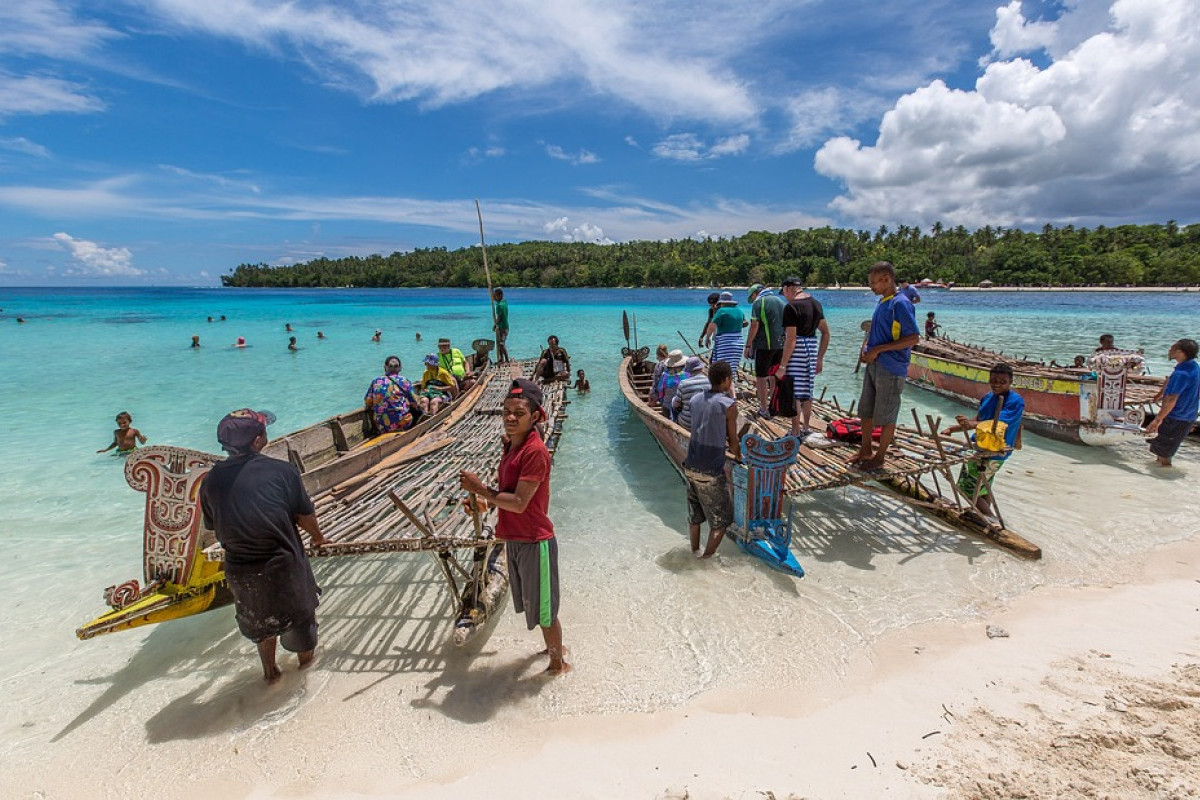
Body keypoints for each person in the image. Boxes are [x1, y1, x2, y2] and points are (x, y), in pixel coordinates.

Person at [199, 409, 329, 684]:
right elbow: (304, 516)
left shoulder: (210, 481)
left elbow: (212, 525)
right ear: (258, 441)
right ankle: (305, 678)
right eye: (263, 431)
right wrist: (318, 538)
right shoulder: (282, 471)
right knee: (301, 627)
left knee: (262, 626)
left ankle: (270, 675)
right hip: (282, 565)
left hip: (241, 571)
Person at [459, 379, 570, 676]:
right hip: (515, 538)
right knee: (536, 605)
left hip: (535, 540)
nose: (509, 417)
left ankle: (558, 667)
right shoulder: (511, 446)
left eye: (518, 413)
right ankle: (552, 650)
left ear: (535, 417)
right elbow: (508, 492)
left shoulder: (534, 452)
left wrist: (482, 490)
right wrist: (486, 504)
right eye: (506, 411)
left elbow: (520, 503)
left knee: (546, 612)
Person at [851, 261, 920, 471]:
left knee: (887, 414)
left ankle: (879, 456)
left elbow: (913, 338)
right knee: (866, 410)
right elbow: (875, 331)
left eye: (874, 282)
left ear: (887, 279)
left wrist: (878, 350)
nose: (871, 286)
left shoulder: (900, 303)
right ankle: (865, 449)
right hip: (874, 364)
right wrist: (866, 348)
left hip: (891, 367)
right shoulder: (882, 302)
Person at [940, 364, 1025, 518]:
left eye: (1002, 381)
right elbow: (979, 419)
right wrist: (953, 429)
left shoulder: (1015, 401)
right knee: (983, 486)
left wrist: (971, 425)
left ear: (1011, 381)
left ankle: (989, 519)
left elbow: (998, 424)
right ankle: (984, 516)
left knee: (966, 488)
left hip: (994, 450)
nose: (997, 384)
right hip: (980, 446)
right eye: (993, 380)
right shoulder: (987, 397)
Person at [682, 360, 739, 558]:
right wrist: (739, 456)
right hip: (711, 471)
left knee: (695, 517)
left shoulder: (696, 399)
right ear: (726, 380)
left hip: (690, 465)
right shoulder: (729, 405)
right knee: (722, 521)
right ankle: (705, 561)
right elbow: (733, 441)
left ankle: (694, 552)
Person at [777, 277, 830, 437]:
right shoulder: (815, 303)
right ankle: (806, 427)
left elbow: (791, 339)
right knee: (807, 391)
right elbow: (826, 333)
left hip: (797, 351)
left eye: (784, 292)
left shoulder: (791, 307)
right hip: (812, 349)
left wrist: (783, 365)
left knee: (795, 393)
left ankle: (795, 430)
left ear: (787, 288)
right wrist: (820, 358)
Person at [1145, 338, 1199, 467]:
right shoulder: (1193, 366)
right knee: (1161, 448)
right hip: (1187, 415)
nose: (1169, 351)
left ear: (1180, 352)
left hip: (1176, 417)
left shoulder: (1182, 373)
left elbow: (1171, 400)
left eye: (1172, 348)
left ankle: (1164, 477)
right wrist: (1161, 393)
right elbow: (1171, 380)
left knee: (1164, 454)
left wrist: (1157, 420)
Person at [744, 283, 786, 418]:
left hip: (764, 346)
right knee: (773, 376)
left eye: (752, 296)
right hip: (780, 345)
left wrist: (748, 345)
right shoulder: (781, 302)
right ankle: (773, 406)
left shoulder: (759, 303)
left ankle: (763, 408)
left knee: (761, 377)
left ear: (755, 293)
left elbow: (754, 325)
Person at [364, 356, 420, 433]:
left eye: (394, 366)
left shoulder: (376, 381)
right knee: (415, 411)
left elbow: (368, 401)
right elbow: (415, 402)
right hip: (401, 423)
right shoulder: (404, 381)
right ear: (400, 368)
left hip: (381, 425)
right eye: (392, 366)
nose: (393, 368)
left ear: (385, 367)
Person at [703, 291, 745, 370]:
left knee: (720, 368)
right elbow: (745, 323)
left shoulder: (721, 311)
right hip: (739, 343)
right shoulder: (739, 310)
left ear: (721, 302)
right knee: (732, 368)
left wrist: (707, 337)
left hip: (725, 343)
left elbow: (712, 325)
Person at [672, 356, 709, 431]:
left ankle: (674, 425)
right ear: (701, 368)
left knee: (673, 402)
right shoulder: (710, 381)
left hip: (688, 424)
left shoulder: (683, 384)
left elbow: (676, 405)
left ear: (688, 371)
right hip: (707, 424)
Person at [655, 350, 687, 420]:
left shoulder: (665, 376)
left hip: (667, 406)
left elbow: (660, 391)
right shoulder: (687, 375)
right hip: (683, 407)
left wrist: (663, 401)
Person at [493, 288, 510, 364]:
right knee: (499, 344)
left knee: (501, 344)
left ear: (500, 295)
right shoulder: (504, 303)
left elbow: (499, 317)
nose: (494, 298)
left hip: (503, 327)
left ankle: (506, 360)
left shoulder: (500, 305)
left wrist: (495, 325)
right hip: (503, 327)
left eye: (495, 296)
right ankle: (501, 359)